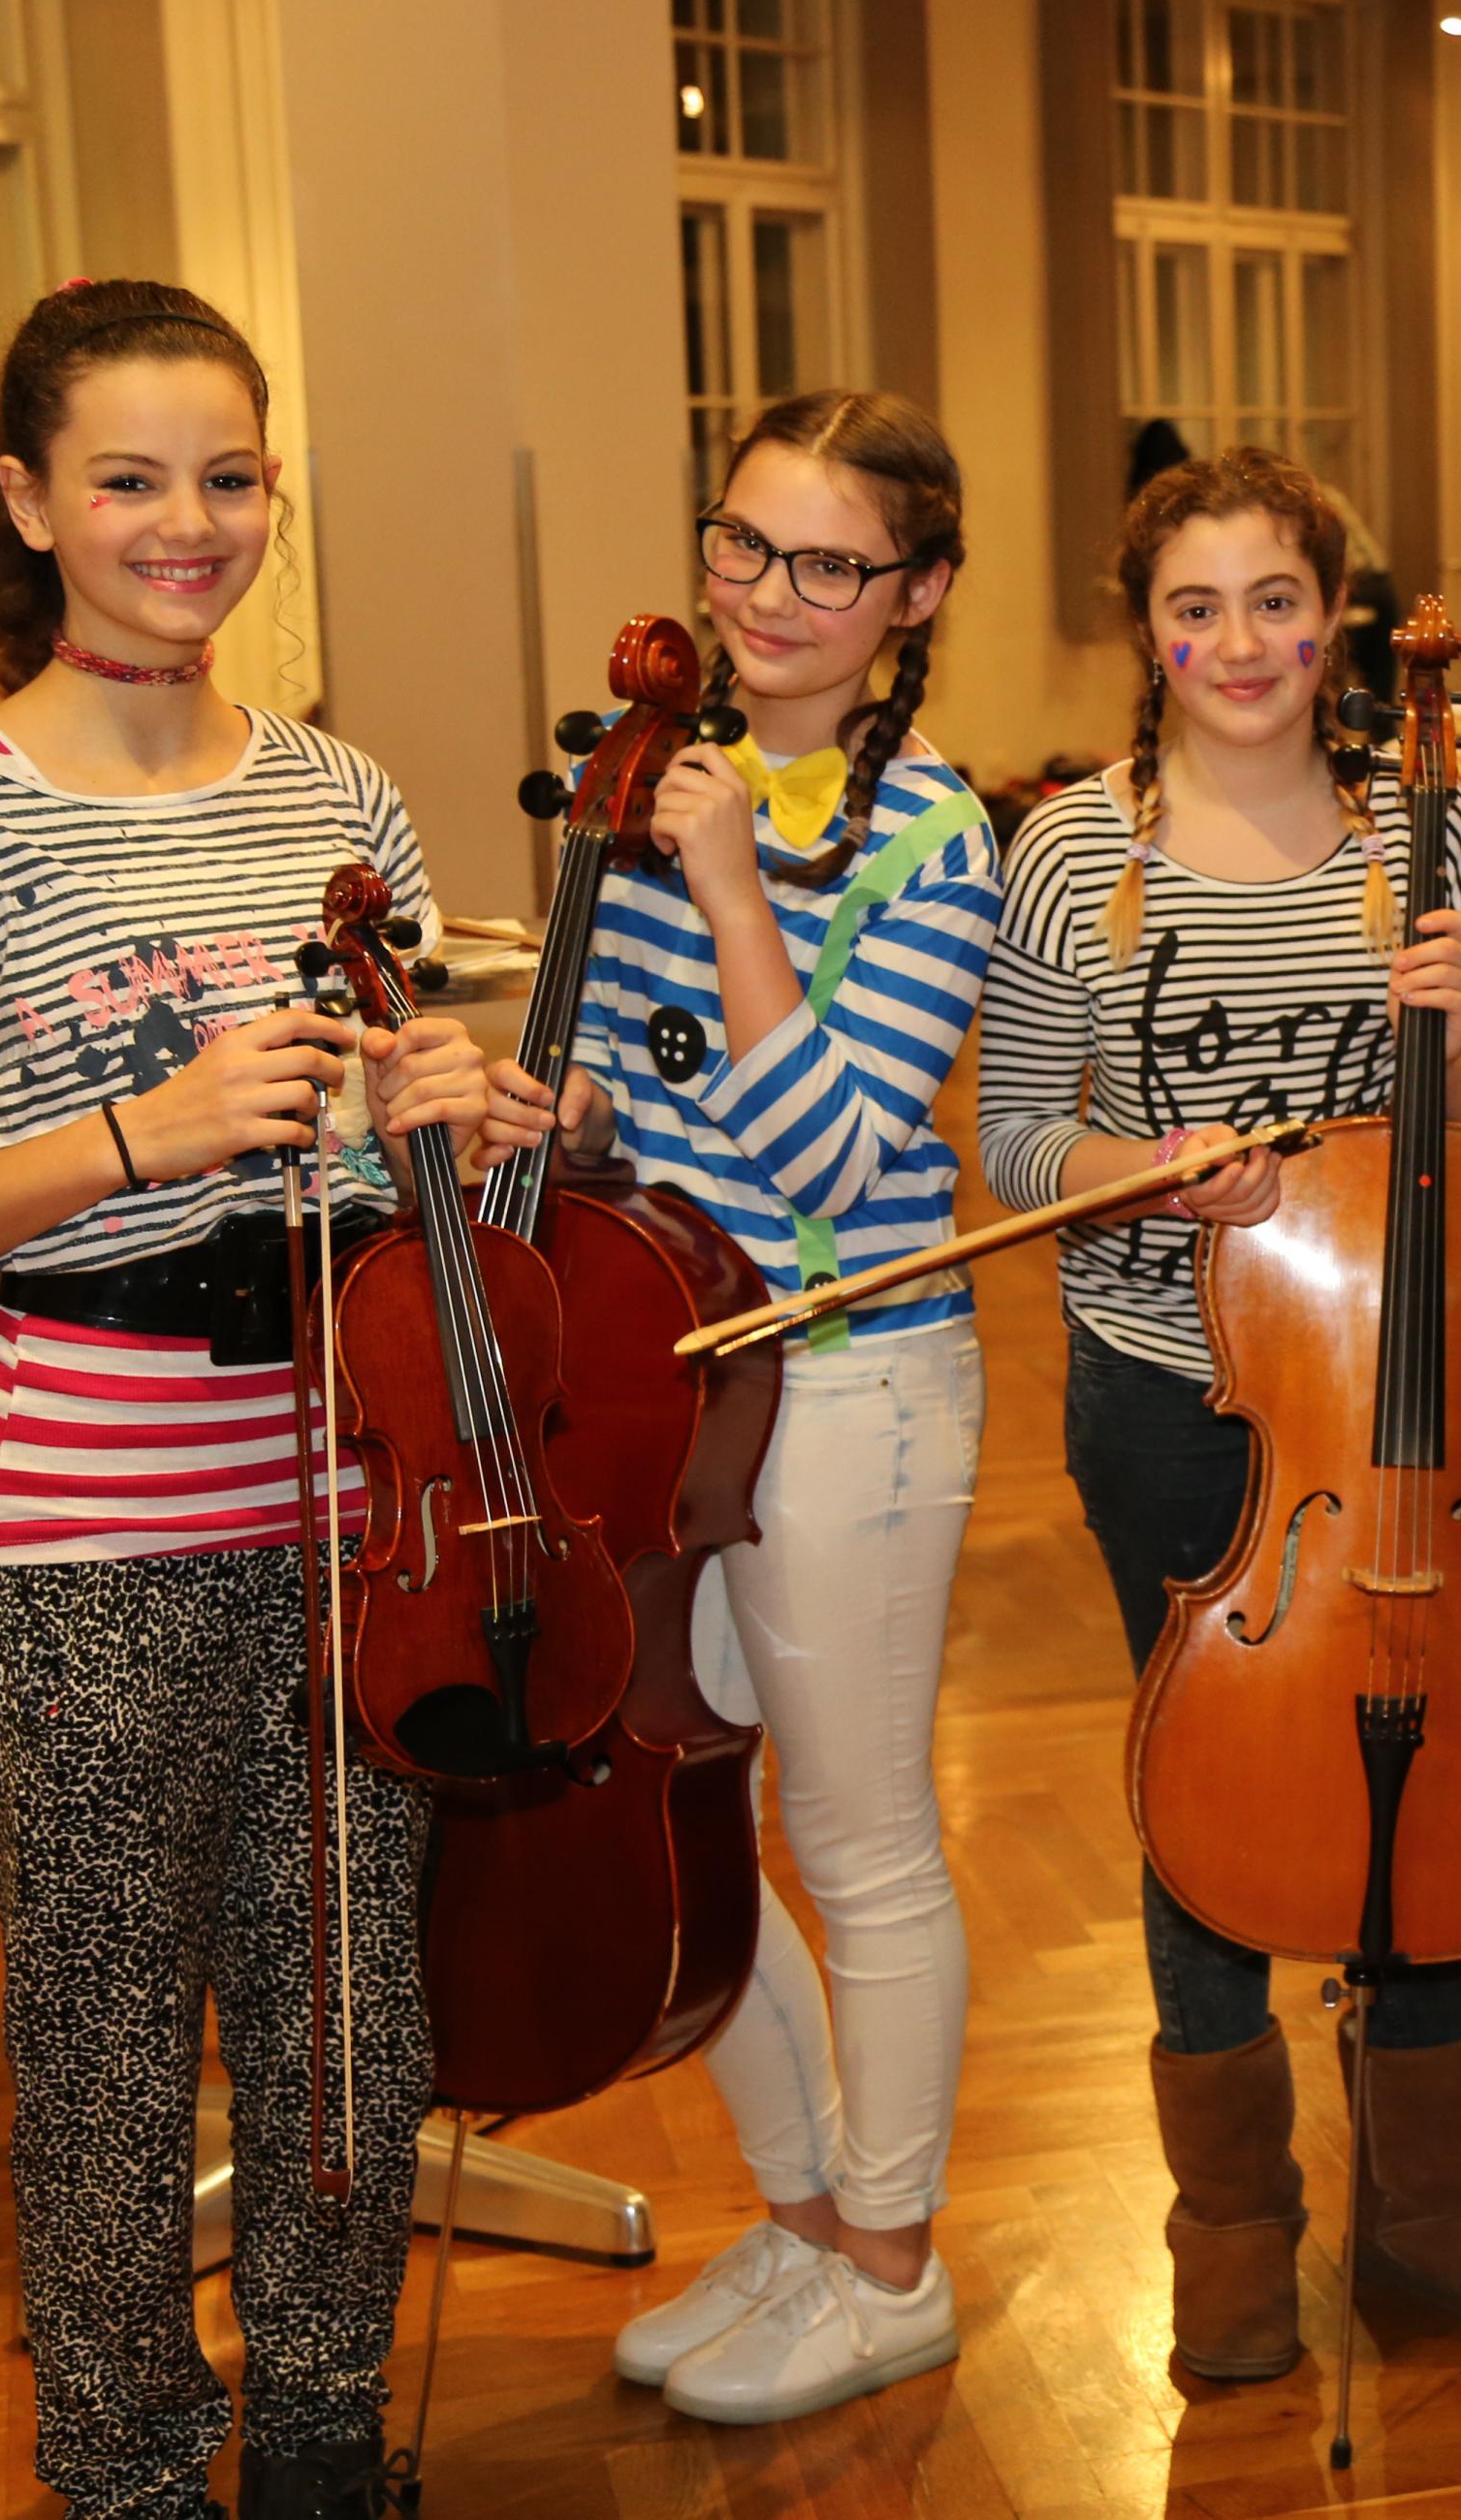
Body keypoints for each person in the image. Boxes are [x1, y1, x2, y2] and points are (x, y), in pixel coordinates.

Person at [0, 278, 517, 2520]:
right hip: (91, 1523)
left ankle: (322, 2443)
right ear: (26, 500)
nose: (186, 525)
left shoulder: (341, 790)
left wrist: (463, 1116)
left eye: (227, 477)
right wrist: (139, 1133)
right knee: (104, 2048)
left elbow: (390, 1153)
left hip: (356, 1500)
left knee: (348, 2017)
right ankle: (122, 2475)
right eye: (127, 479)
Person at [974, 445, 1461, 2387]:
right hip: (1170, 1388)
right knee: (1213, 1785)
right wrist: (1154, 1174)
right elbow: (1018, 1143)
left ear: (1332, 618)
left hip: (1397, 1391)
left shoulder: (1428, 835)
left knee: (1421, 1746)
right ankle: (1231, 2222)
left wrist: (1449, 1046)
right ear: (1143, 630)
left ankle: (1428, 2204)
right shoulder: (1070, 852)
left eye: (1273, 601)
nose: (1237, 643)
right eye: (1194, 608)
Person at [497, 391, 994, 2425]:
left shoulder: (934, 837)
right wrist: (565, 1107)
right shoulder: (653, 791)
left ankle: (895, 2260)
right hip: (673, 1367)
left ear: (916, 596)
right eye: (741, 543)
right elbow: (643, 1098)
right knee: (681, 1797)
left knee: (856, 1836)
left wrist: (732, 894)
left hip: (856, 1374)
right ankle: (800, 2219)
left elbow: (840, 1161)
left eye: (827, 564)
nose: (766, 596)